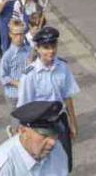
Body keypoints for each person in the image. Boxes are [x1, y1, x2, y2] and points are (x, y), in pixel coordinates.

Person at [17, 26, 79, 173]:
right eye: (46, 47)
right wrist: (24, 135)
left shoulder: (62, 67)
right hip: (39, 126)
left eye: (53, 46)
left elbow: (67, 97)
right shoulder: (29, 75)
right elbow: (23, 108)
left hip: (60, 121)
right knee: (42, 166)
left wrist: (73, 123)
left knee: (66, 163)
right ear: (37, 48)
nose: (51, 51)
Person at [0, 101, 68, 176]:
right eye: (45, 135)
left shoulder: (57, 150)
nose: (53, 142)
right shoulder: (2, 169)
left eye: (55, 134)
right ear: (23, 131)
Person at [0, 19, 31, 137]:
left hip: (27, 93)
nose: (20, 37)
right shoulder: (8, 55)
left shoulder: (29, 50)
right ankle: (13, 132)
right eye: (16, 34)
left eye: (22, 33)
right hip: (13, 95)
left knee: (28, 122)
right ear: (10, 35)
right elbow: (2, 77)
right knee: (17, 123)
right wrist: (16, 83)